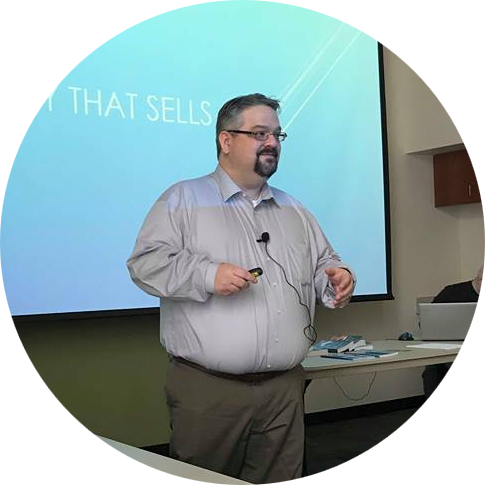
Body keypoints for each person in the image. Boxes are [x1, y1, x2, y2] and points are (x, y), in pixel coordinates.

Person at [127, 93, 355, 484]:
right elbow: (144, 265)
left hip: (284, 389)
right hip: (210, 391)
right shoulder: (182, 199)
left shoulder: (295, 210)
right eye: (259, 133)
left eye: (278, 134)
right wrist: (206, 275)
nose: (272, 143)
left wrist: (337, 279)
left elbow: (324, 267)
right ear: (225, 140)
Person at [422, 264, 482, 400]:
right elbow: (427, 322)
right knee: (433, 370)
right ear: (479, 280)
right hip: (449, 347)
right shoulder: (452, 292)